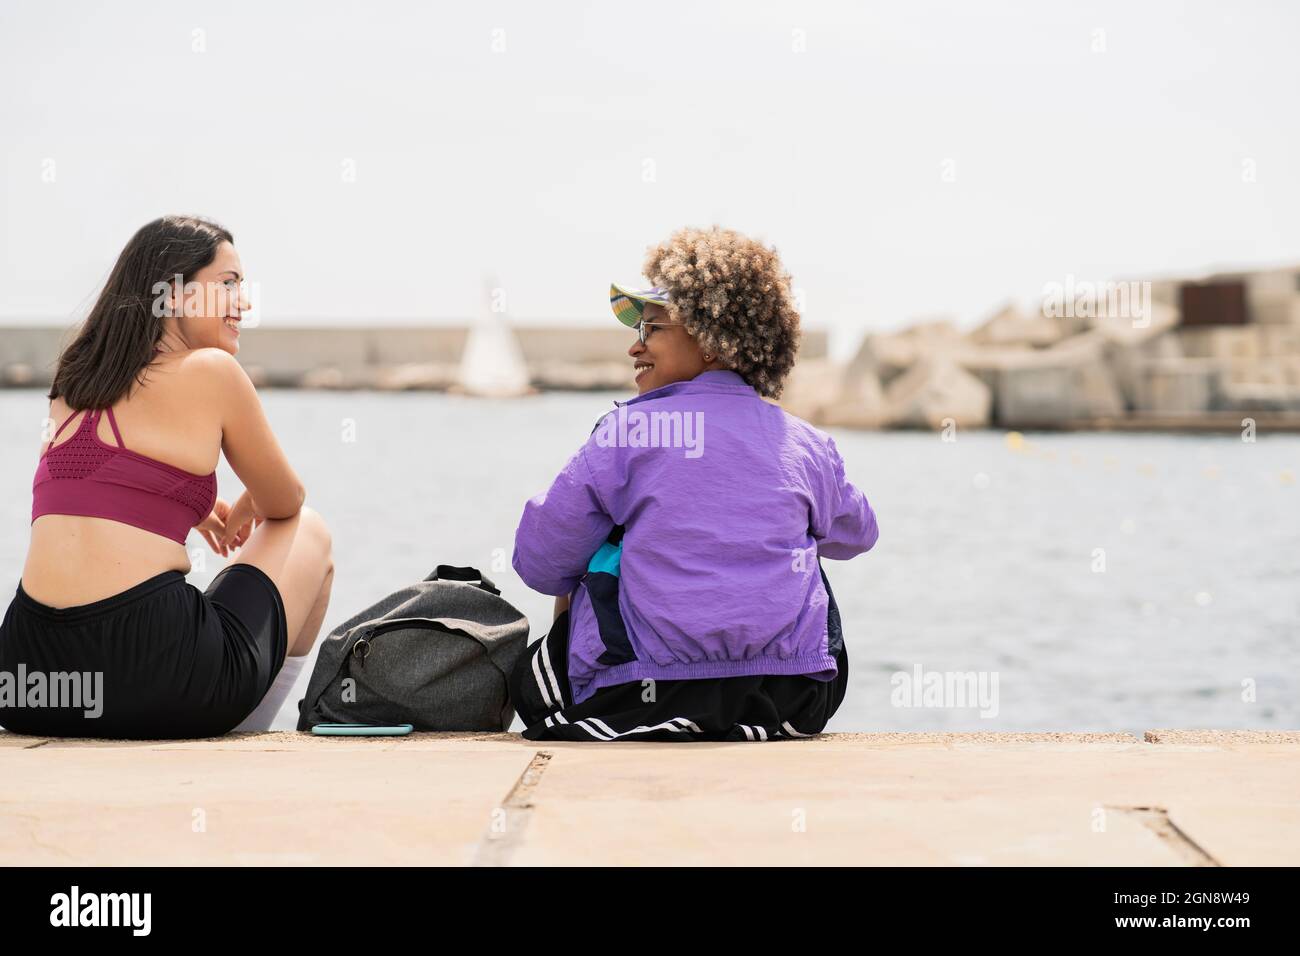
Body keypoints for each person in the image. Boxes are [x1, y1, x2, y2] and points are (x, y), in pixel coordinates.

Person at [509, 225, 879, 741]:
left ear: (711, 340)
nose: (634, 348)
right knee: (805, 542)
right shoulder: (806, 444)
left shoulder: (628, 430)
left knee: (599, 544)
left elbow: (541, 562)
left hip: (637, 696)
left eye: (652, 329)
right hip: (790, 698)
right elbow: (858, 534)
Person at [0, 216, 334, 739]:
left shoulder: (72, 381)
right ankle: (248, 732)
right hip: (154, 677)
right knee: (310, 530)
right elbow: (286, 501)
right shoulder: (212, 371)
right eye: (228, 284)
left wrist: (194, 503)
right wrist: (246, 503)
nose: (243, 303)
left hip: (26, 679)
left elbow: (93, 481)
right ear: (174, 292)